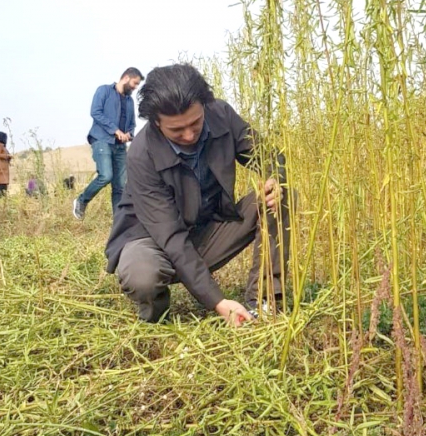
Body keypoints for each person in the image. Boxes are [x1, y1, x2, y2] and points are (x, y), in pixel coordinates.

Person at [105, 63, 291, 326]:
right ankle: (157, 316)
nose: (190, 134)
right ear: (156, 123)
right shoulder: (141, 154)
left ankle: (265, 302)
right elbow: (171, 237)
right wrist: (218, 301)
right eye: (177, 131)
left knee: (280, 198)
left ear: (205, 105)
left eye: (195, 122)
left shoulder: (222, 115)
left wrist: (276, 179)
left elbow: (271, 158)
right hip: (153, 240)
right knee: (142, 276)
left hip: (205, 230)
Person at [73, 67, 144, 219]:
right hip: (102, 140)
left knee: (120, 186)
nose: (135, 87)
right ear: (126, 78)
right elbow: (95, 112)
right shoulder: (104, 91)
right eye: (135, 83)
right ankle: (81, 200)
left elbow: (131, 124)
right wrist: (115, 130)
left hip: (120, 146)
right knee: (106, 175)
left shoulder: (129, 101)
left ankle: (118, 223)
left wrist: (129, 134)